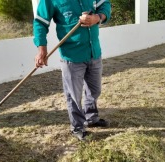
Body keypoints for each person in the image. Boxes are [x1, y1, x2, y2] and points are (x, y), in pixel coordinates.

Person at [33, 0, 111, 141]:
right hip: (71, 56)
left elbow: (105, 4)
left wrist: (97, 18)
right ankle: (78, 127)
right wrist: (41, 49)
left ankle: (91, 118)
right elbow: (40, 22)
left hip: (94, 52)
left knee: (95, 90)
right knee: (74, 95)